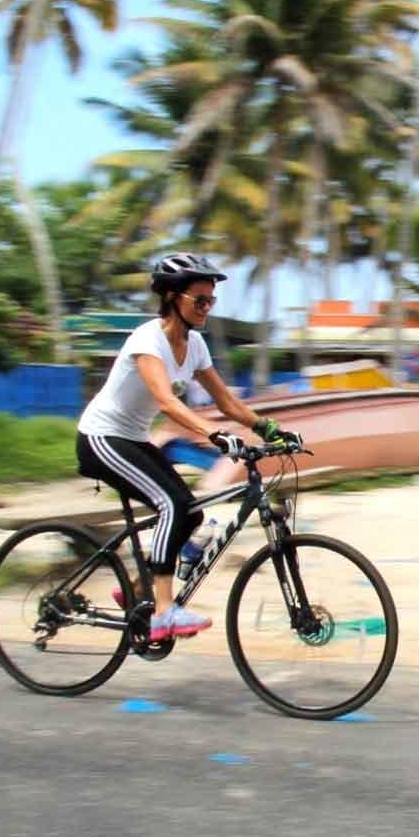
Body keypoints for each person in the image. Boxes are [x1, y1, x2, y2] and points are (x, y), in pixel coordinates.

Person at [74, 253, 284, 642]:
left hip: (132, 438)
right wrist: (217, 436)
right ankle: (163, 614)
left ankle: (137, 590)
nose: (206, 308)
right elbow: (168, 402)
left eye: (211, 301)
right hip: (100, 438)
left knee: (190, 514)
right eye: (199, 300)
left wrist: (268, 428)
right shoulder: (147, 340)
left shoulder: (196, 345)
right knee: (172, 505)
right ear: (172, 297)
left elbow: (226, 402)